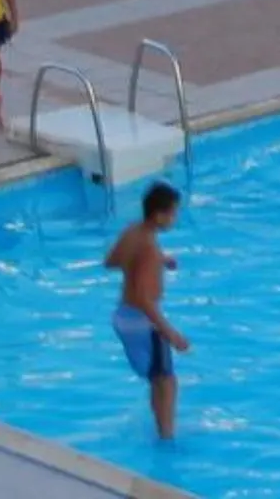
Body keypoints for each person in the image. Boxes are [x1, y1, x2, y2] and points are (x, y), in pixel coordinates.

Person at [105, 182, 190, 439]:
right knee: (167, 382)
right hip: (142, 321)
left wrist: (159, 260)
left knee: (158, 378)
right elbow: (144, 298)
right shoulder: (150, 249)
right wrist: (170, 333)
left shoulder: (135, 233)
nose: (175, 218)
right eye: (173, 213)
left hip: (123, 316)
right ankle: (166, 436)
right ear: (159, 215)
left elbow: (111, 262)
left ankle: (160, 428)